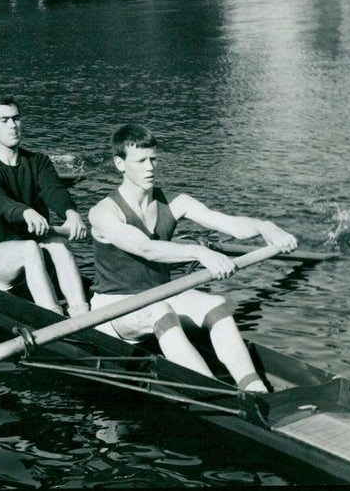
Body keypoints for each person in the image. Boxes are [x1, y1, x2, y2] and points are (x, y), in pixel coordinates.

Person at [87, 123, 298, 393]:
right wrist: (198, 251)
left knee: (217, 304)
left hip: (160, 295)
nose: (150, 167)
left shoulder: (176, 202)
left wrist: (263, 226)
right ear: (120, 164)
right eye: (141, 161)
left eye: (154, 159)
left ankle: (255, 389)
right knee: (162, 312)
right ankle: (214, 393)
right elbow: (146, 248)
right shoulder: (103, 212)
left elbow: (230, 225)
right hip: (115, 306)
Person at [0, 95, 90, 316]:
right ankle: (51, 316)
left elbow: (54, 191)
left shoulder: (38, 161)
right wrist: (25, 211)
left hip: (31, 246)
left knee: (59, 243)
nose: (13, 125)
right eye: (4, 120)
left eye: (16, 118)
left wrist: (71, 213)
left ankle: (81, 313)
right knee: (29, 248)